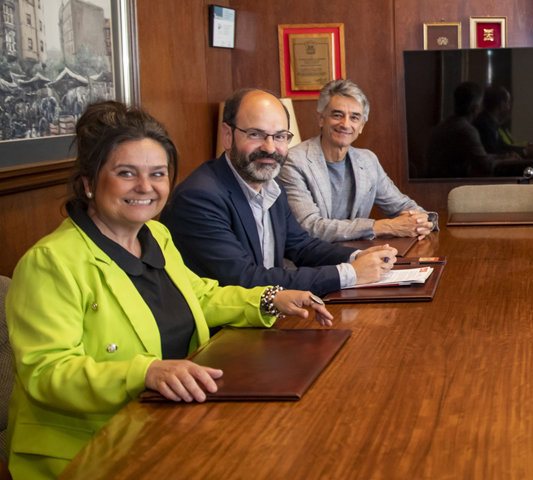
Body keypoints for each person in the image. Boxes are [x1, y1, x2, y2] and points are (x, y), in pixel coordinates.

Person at [5, 101, 334, 478]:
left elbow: (202, 295)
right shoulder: (50, 262)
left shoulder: (157, 236)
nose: (145, 187)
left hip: (169, 425)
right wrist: (146, 373)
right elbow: (47, 373)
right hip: (90, 451)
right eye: (126, 173)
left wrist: (269, 297)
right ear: (88, 183)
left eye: (158, 174)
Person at [161, 89, 396, 294]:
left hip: (266, 316)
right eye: (255, 134)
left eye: (280, 136)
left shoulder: (271, 185)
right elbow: (246, 280)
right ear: (227, 135)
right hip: (221, 335)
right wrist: (349, 274)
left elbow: (301, 246)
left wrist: (356, 257)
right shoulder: (200, 197)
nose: (270, 148)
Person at [278, 79, 436, 242]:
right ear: (321, 119)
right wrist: (382, 226)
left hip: (358, 256)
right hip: (313, 263)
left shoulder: (368, 161)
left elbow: (401, 205)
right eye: (337, 115)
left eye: (354, 117)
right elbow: (310, 227)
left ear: (361, 126)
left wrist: (422, 221)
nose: (345, 124)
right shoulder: (294, 161)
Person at [426, 81, 494, 177]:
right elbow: (485, 165)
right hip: (449, 185)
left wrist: (500, 157)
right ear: (476, 107)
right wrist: (505, 162)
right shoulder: (466, 130)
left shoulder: (442, 126)